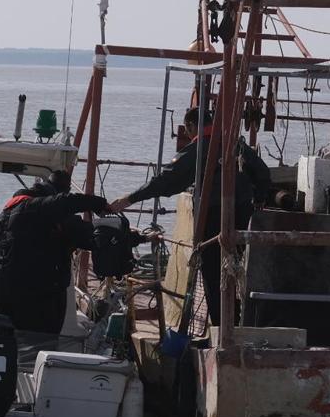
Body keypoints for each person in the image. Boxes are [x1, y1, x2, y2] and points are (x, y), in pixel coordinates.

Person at [107, 107, 270, 326]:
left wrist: (130, 198)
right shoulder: (236, 144)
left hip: (213, 216)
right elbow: (263, 172)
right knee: (239, 267)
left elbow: (167, 180)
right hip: (243, 214)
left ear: (191, 126)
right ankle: (243, 320)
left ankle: (221, 328)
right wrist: (259, 199)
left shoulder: (199, 148)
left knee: (214, 271)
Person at [0, 170, 108, 334]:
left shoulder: (8, 213)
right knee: (40, 343)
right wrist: (100, 204)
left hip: (5, 291)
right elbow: (67, 203)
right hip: (36, 295)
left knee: (12, 341)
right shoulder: (36, 207)